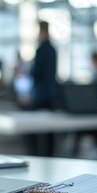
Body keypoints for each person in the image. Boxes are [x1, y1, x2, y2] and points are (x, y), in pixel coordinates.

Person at [26, 21, 59, 156]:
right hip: (51, 94)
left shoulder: (41, 49)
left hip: (40, 95)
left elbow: (35, 72)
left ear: (42, 32)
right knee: (49, 130)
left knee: (34, 129)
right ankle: (49, 156)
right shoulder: (53, 49)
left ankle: (36, 155)